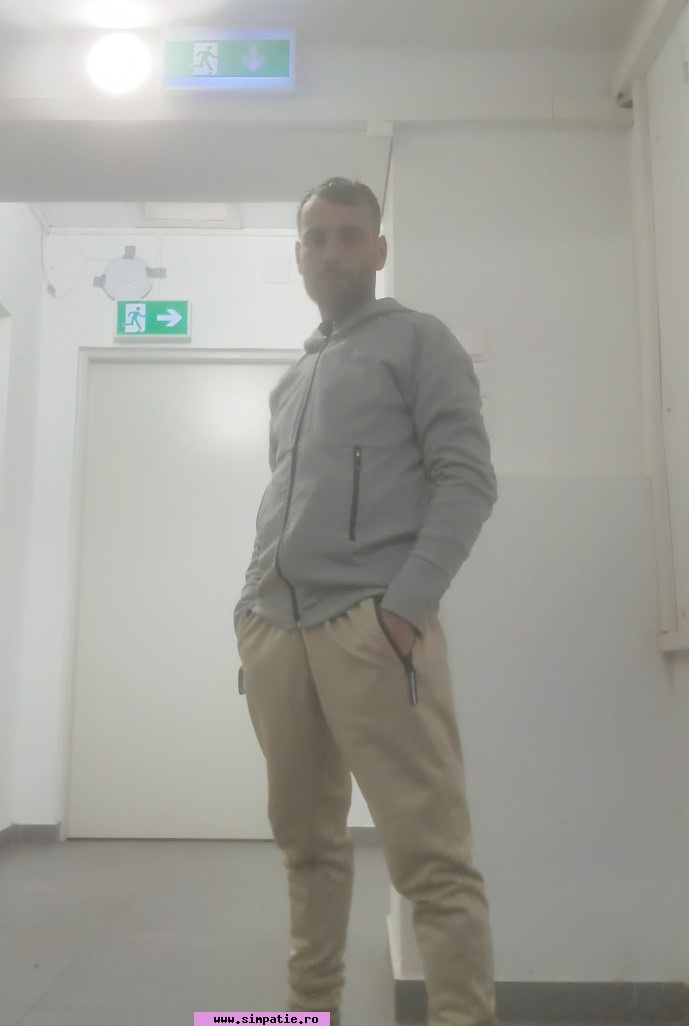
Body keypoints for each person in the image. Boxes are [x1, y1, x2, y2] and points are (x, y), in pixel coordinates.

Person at [234, 177, 498, 1026]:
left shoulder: (418, 341)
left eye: (349, 236)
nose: (332, 253)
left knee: (431, 860)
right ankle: (307, 1015)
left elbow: (466, 480)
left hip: (370, 628)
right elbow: (283, 503)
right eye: (317, 238)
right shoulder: (293, 378)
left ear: (378, 249)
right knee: (306, 849)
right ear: (299, 256)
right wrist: (249, 613)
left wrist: (404, 606)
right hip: (276, 633)